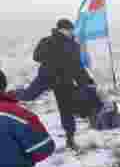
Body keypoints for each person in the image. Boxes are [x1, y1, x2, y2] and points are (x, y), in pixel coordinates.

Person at [31, 18, 97, 151]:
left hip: (66, 80)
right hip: (50, 78)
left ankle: (71, 137)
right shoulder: (48, 41)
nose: (70, 32)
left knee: (70, 108)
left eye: (71, 30)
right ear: (61, 29)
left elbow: (78, 66)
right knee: (30, 95)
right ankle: (8, 98)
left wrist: (86, 81)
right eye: (68, 30)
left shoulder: (73, 45)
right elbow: (36, 56)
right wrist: (54, 55)